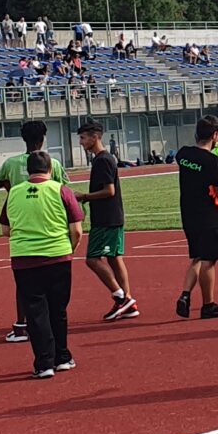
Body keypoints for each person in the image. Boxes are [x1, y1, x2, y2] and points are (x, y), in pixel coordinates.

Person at [3, 151, 87, 379]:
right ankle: (62, 357)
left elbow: (5, 229)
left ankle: (44, 363)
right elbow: (76, 229)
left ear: (27, 170)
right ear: (50, 168)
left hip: (24, 259)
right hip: (58, 256)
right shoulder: (61, 190)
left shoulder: (14, 193)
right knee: (58, 309)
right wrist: (69, 248)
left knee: (35, 312)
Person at [0, 120, 63, 343]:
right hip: (48, 221)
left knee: (25, 279)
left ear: (23, 138)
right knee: (53, 277)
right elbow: (63, 188)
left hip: (21, 219)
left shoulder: (11, 163)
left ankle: (22, 324)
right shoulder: (52, 162)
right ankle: (50, 323)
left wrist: (11, 187)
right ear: (44, 138)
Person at [75, 120, 136, 321]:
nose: (81, 142)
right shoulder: (103, 159)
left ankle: (121, 296)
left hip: (106, 219)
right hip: (112, 217)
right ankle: (128, 302)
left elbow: (109, 190)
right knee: (114, 258)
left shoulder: (102, 160)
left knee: (92, 259)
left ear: (95, 137)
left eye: (83, 138)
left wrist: (84, 196)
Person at [175, 115, 218, 319]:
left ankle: (185, 295)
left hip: (188, 214)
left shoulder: (183, 154)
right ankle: (208, 304)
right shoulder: (213, 161)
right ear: (215, 135)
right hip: (208, 215)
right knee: (209, 260)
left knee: (197, 257)